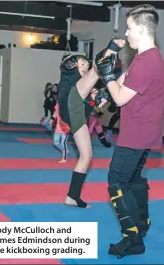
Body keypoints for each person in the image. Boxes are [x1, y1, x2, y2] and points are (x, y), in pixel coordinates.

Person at [95, 4, 164, 258]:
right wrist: (106, 90)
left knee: (116, 181)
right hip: (144, 130)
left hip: (136, 132)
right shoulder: (145, 57)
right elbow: (124, 81)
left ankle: (132, 238)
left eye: (129, 28)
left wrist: (107, 77)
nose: (126, 34)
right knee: (133, 179)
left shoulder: (148, 62)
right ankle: (142, 225)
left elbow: (122, 97)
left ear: (142, 29)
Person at [57, 42, 124, 209]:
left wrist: (97, 99)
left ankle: (72, 196)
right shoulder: (69, 72)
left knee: (86, 155)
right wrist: (111, 49)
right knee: (97, 70)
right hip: (71, 100)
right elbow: (70, 65)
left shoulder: (84, 86)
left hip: (76, 113)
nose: (85, 66)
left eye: (86, 64)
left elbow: (89, 105)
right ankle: (112, 46)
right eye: (83, 64)